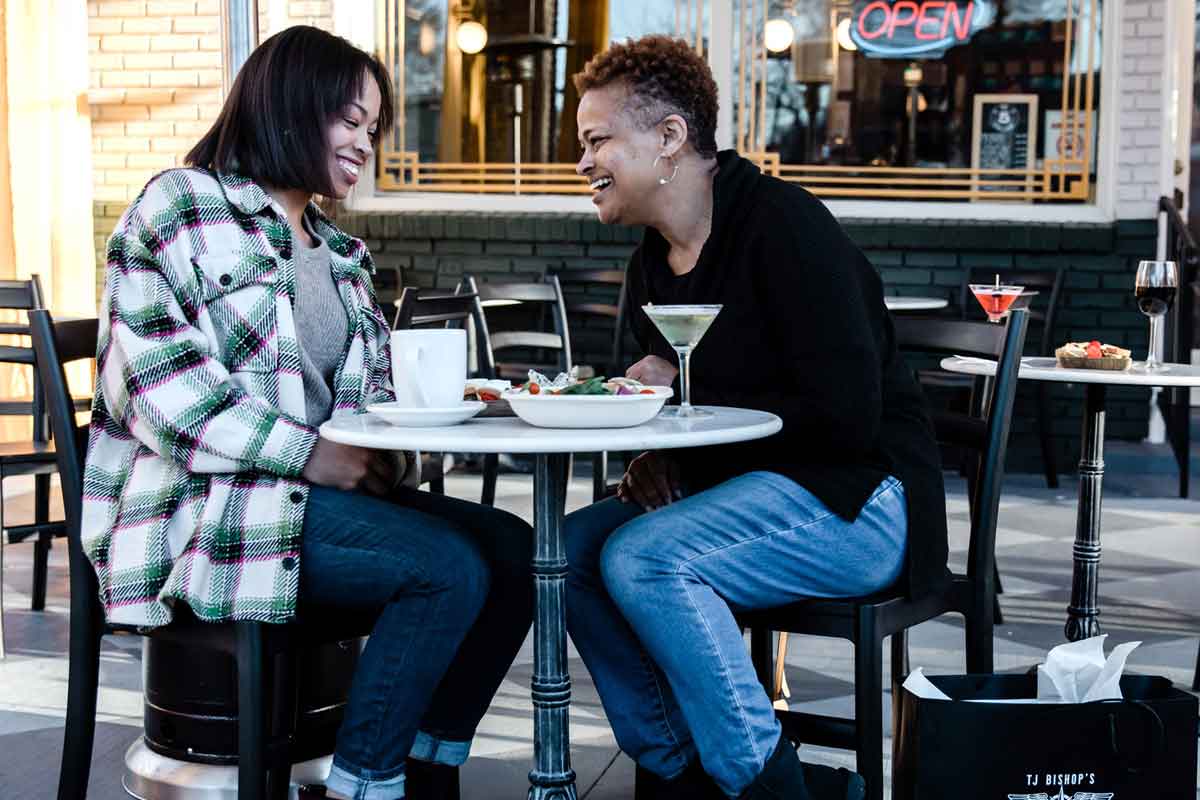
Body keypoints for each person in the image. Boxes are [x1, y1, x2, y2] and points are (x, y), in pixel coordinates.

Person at [85, 26, 533, 800]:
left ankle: (421, 770)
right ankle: (363, 786)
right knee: (445, 567)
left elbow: (365, 407)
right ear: (293, 106)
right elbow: (161, 391)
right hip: (208, 509)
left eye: (373, 129)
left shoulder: (341, 254)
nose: (366, 144)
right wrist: (308, 454)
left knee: (514, 552)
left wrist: (398, 444)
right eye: (350, 121)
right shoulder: (182, 205)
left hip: (313, 501)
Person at [565, 35, 947, 800]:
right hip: (741, 499)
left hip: (859, 501)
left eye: (597, 139)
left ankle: (768, 786)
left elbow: (844, 415)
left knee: (644, 558)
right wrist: (658, 450)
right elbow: (685, 410)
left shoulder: (784, 228)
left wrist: (688, 399)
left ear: (670, 138)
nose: (582, 162)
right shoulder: (653, 259)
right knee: (570, 551)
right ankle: (680, 772)